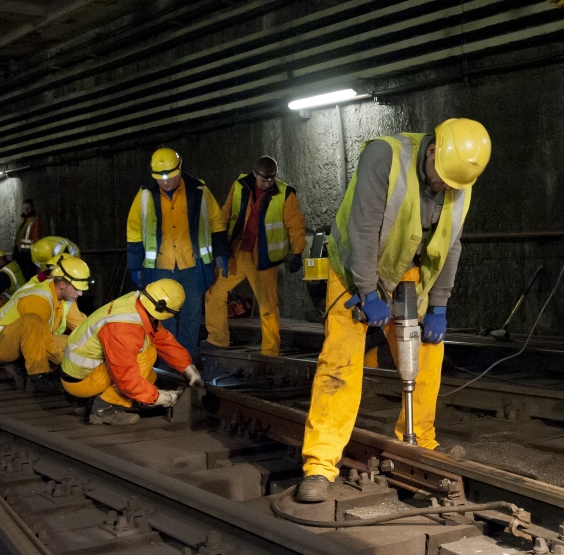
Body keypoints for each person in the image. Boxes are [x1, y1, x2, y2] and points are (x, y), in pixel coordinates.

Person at [296, 118, 491, 503]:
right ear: (433, 150)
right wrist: (368, 293)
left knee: (429, 351)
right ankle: (320, 463)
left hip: (409, 268)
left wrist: (439, 306)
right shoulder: (384, 156)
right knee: (341, 360)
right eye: (441, 179)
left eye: (453, 185)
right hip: (356, 266)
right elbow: (363, 229)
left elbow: (451, 244)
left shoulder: (458, 177)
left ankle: (418, 442)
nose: (444, 188)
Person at [127, 148, 228, 362]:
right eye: (159, 178)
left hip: (193, 266)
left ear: (179, 169)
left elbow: (216, 222)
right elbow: (134, 229)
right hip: (159, 267)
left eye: (169, 176)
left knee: (191, 314)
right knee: (164, 317)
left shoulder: (199, 191)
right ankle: (168, 359)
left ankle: (186, 359)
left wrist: (220, 253)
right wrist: (135, 265)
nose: (164, 182)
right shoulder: (145, 194)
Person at [61, 279, 204, 426]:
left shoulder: (136, 303)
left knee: (150, 375)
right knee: (148, 354)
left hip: (77, 371)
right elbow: (126, 378)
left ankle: (84, 401)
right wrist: (160, 398)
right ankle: (104, 409)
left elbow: (162, 339)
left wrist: (189, 369)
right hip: (80, 382)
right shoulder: (124, 328)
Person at [204, 155, 306, 356]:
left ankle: (270, 351)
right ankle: (217, 339)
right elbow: (226, 213)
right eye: (263, 179)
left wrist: (298, 252)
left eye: (271, 179)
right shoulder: (240, 185)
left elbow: (296, 224)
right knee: (214, 292)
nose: (268, 183)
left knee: (268, 305)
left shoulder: (285, 194)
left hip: (263, 257)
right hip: (236, 251)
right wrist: (219, 244)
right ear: (254, 173)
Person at [0, 255, 90, 392]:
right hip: (1, 342)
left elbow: (83, 326)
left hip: (28, 340)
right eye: (77, 289)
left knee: (75, 344)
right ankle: (37, 377)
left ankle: (22, 367)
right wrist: (67, 364)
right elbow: (45, 341)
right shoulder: (38, 298)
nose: (81, 293)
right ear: (62, 285)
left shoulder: (65, 297)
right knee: (32, 320)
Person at [14, 199, 42, 279]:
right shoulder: (23, 221)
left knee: (28, 277)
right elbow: (18, 238)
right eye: (24, 208)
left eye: (28, 208)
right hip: (21, 254)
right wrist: (15, 250)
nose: (26, 210)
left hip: (29, 255)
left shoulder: (35, 221)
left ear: (32, 208)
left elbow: (36, 239)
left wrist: (33, 254)